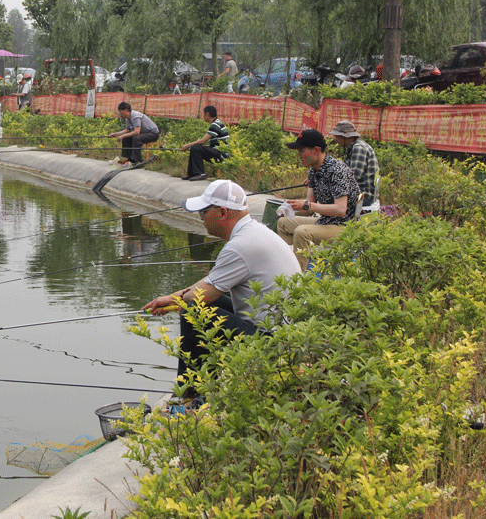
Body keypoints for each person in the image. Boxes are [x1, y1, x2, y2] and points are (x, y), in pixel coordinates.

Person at [142, 179, 300, 383]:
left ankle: (191, 391)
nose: (201, 217)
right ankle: (207, 379)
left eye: (204, 212)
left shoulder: (239, 246)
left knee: (193, 311)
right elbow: (211, 283)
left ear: (223, 213)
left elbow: (197, 297)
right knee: (205, 301)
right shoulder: (254, 232)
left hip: (275, 343)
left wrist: (178, 301)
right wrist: (171, 300)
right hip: (287, 332)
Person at [277, 129, 361, 271]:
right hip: (326, 221)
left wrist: (307, 205)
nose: (299, 155)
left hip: (344, 226)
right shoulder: (313, 171)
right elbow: (308, 210)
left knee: (302, 232)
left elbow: (340, 210)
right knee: (283, 223)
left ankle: (297, 277)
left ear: (316, 150)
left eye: (302, 150)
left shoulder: (337, 170)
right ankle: (290, 264)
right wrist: (290, 208)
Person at [329, 120, 379, 209]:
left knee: (327, 200)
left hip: (363, 197)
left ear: (344, 137)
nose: (336, 139)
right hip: (359, 194)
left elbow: (353, 177)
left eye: (337, 137)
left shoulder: (358, 148)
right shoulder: (352, 147)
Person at [180, 106, 230, 181]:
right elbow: (211, 145)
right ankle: (192, 174)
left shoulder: (215, 125)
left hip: (222, 155)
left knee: (196, 148)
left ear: (207, 115)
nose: (203, 117)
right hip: (219, 152)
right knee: (195, 148)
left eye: (203, 114)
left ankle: (200, 174)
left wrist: (187, 145)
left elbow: (203, 141)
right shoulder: (216, 123)